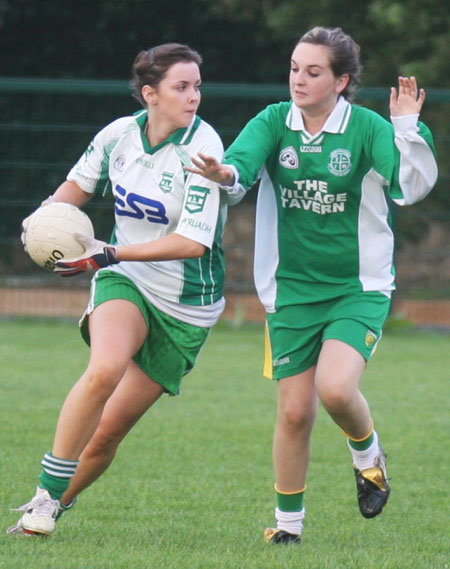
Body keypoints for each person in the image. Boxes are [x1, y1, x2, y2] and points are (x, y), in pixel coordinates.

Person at [186, 26, 438, 544]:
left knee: (336, 388)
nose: (299, 79)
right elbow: (241, 169)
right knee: (295, 410)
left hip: (358, 287)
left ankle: (367, 454)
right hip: (291, 291)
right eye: (295, 68)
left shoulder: (367, 129)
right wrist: (222, 174)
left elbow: (409, 188)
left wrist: (407, 129)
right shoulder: (274, 121)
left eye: (313, 71)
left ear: (341, 81)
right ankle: (288, 528)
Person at [8, 42, 243, 536]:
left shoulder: (204, 150)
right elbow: (75, 189)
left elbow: (192, 244)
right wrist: (43, 221)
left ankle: (52, 505)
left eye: (197, 86)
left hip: (187, 306)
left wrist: (107, 251)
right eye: (182, 87)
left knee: (107, 434)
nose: (194, 96)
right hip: (126, 280)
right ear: (149, 94)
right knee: (105, 369)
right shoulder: (119, 136)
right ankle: (45, 498)